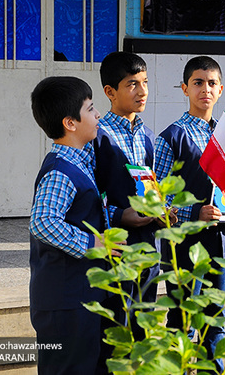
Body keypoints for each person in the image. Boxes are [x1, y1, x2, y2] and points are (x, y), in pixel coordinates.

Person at [154, 55, 225, 374]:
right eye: (197, 83)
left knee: (215, 320)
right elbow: (158, 199)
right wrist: (196, 211)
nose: (205, 90)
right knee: (183, 321)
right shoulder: (172, 137)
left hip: (220, 246)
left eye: (212, 84)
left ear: (221, 90)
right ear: (185, 88)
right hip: (183, 248)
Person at [29, 76, 124, 374]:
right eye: (91, 108)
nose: (98, 116)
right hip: (64, 302)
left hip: (80, 295)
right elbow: (43, 221)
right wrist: (91, 244)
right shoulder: (61, 170)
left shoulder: (80, 161)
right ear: (70, 123)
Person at [93, 51, 169, 336]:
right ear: (110, 92)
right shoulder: (97, 135)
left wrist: (162, 209)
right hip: (116, 246)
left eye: (145, 82)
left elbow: (150, 186)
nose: (142, 91)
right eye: (132, 84)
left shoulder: (148, 136)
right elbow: (89, 193)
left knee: (143, 322)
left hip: (147, 246)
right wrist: (118, 214)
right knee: (115, 328)